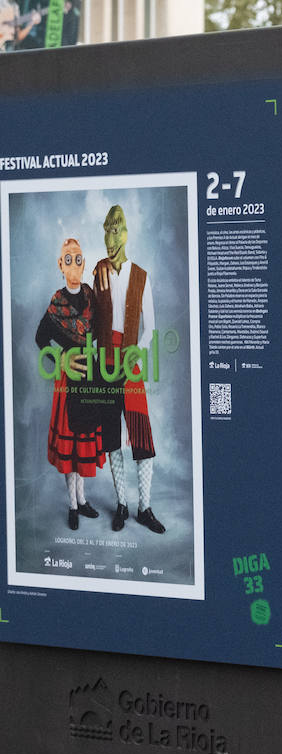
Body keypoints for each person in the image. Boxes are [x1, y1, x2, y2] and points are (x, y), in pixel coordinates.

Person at [92, 204, 165, 534]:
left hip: (130, 362)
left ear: (126, 233)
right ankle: (121, 503)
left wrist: (138, 353)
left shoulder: (141, 277)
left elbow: (150, 328)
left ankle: (144, 506)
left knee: (140, 435)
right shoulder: (99, 273)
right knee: (111, 437)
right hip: (105, 363)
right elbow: (92, 323)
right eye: (106, 230)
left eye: (115, 230)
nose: (110, 237)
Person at [34, 238, 103, 530]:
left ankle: (83, 499)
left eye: (78, 259)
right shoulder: (56, 304)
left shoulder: (91, 298)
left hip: (89, 377)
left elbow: (99, 333)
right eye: (68, 259)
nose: (74, 264)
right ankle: (72, 505)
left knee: (83, 443)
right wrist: (61, 361)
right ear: (60, 265)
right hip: (67, 379)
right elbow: (40, 339)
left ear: (84, 264)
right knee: (69, 444)